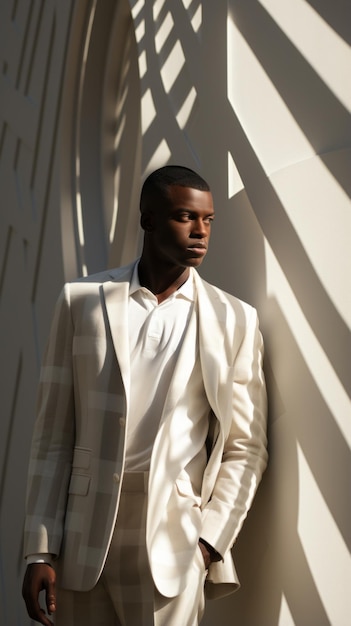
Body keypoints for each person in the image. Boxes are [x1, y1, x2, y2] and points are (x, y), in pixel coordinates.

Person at [22, 165, 268, 626]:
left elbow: (246, 447)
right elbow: (52, 436)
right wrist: (39, 548)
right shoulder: (82, 301)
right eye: (184, 217)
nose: (200, 232)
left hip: (174, 541)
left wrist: (209, 542)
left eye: (208, 220)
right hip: (83, 537)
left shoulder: (235, 319)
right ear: (148, 219)